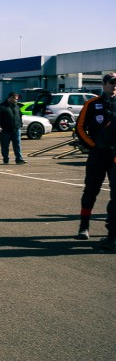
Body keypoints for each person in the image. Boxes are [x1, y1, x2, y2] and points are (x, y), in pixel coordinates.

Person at [74, 72, 116, 242]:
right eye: (111, 82)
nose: (114, 86)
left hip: (115, 156)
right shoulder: (91, 104)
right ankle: (84, 226)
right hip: (98, 155)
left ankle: (112, 232)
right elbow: (80, 127)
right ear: (104, 84)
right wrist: (92, 145)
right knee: (91, 191)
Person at [0, 92, 27, 165]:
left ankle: (19, 159)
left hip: (16, 129)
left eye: (17, 99)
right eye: (15, 99)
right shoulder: (2, 106)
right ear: (10, 98)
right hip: (5, 130)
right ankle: (6, 159)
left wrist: (20, 124)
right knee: (5, 146)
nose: (16, 101)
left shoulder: (16, 106)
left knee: (17, 145)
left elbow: (20, 115)